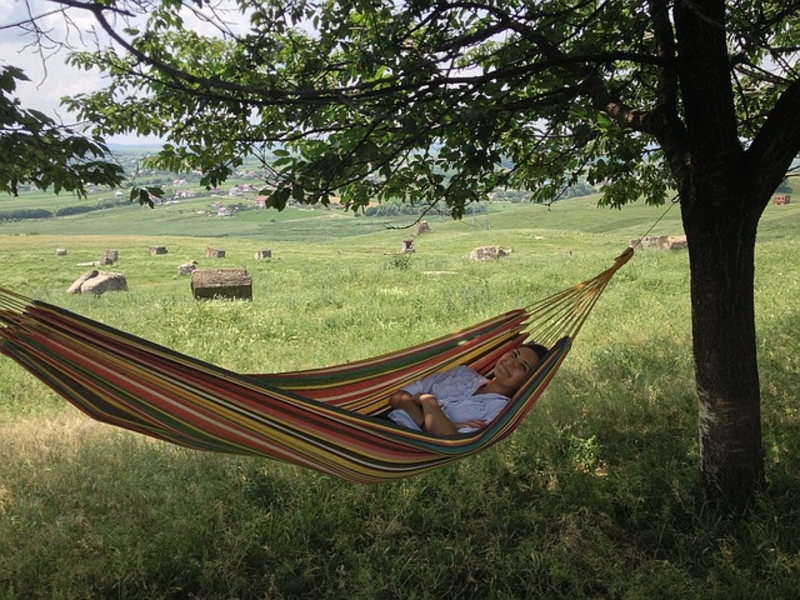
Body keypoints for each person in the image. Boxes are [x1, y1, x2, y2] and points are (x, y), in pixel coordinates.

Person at [386, 343, 549, 436]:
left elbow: (450, 441)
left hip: (404, 446)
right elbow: (398, 397)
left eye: (523, 367)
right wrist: (440, 424)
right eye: (514, 355)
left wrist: (426, 400)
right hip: (382, 426)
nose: (511, 363)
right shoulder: (462, 373)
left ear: (528, 382)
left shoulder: (500, 411)